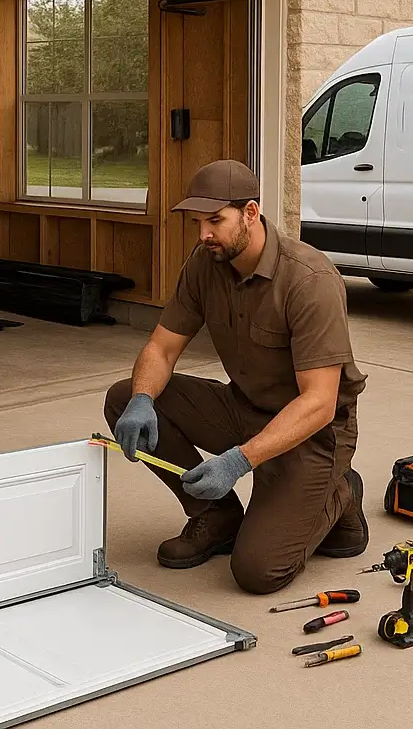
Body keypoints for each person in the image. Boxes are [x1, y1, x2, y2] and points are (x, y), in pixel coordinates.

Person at [103, 159, 368, 595]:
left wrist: (239, 460)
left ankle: (340, 493)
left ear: (250, 213)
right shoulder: (206, 263)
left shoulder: (309, 280)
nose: (203, 234)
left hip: (312, 433)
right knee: (123, 397)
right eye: (197, 222)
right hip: (244, 407)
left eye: (214, 221)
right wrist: (142, 400)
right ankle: (217, 515)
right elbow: (162, 348)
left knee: (258, 571)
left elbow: (319, 402)